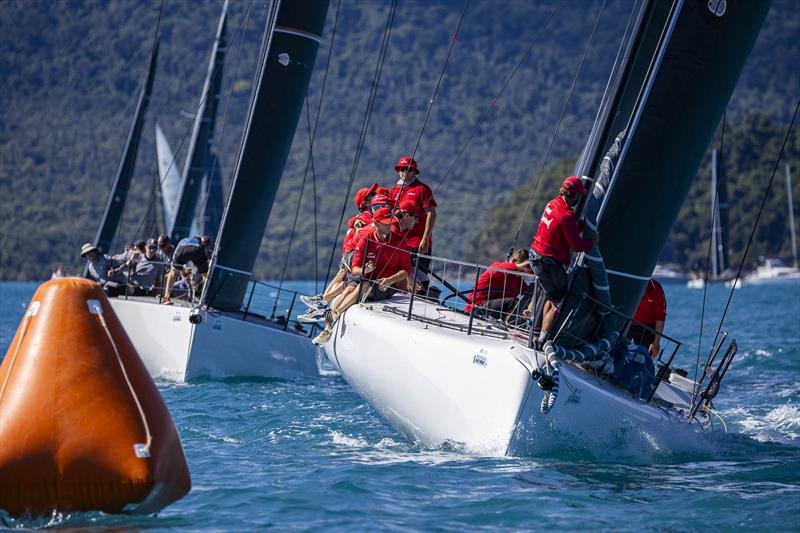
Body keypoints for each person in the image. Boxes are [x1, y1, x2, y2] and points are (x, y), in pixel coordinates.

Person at [312, 208, 411, 346]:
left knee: (364, 285)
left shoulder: (399, 241)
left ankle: (334, 314)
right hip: (365, 279)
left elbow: (406, 271)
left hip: (385, 285)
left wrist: (390, 280)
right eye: (385, 223)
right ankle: (327, 329)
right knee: (350, 287)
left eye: (390, 222)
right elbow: (355, 268)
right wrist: (364, 270)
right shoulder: (366, 239)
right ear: (376, 224)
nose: (389, 225)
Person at [529, 175, 596, 347]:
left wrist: (578, 226)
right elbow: (577, 245)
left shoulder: (552, 203)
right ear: (574, 195)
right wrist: (592, 241)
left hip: (535, 256)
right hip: (547, 263)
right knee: (559, 301)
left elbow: (561, 229)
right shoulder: (567, 215)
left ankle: (538, 331)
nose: (579, 198)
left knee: (553, 297)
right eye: (579, 195)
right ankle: (542, 340)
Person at [389, 156, 436, 273]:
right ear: (398, 170)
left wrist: (425, 239)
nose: (405, 172)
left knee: (418, 277)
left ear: (414, 171)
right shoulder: (394, 190)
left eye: (409, 169)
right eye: (402, 169)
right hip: (398, 242)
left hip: (417, 242)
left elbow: (432, 213)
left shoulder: (422, 189)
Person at [466, 249, 531, 320]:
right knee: (513, 302)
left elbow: (529, 293)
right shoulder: (498, 266)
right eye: (521, 270)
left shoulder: (517, 279)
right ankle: (508, 326)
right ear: (514, 261)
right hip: (477, 307)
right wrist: (521, 265)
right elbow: (504, 267)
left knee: (522, 304)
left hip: (493, 311)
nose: (521, 274)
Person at [162, 236, 210, 304]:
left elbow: (176, 256)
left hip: (182, 248)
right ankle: (203, 299)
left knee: (173, 271)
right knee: (205, 275)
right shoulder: (199, 244)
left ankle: (166, 297)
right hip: (197, 250)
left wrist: (181, 269)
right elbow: (202, 259)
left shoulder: (184, 239)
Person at [627, 278, 667, 357]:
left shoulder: (656, 288)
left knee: (642, 357)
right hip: (627, 323)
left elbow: (660, 318)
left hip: (647, 328)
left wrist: (656, 343)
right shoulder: (628, 284)